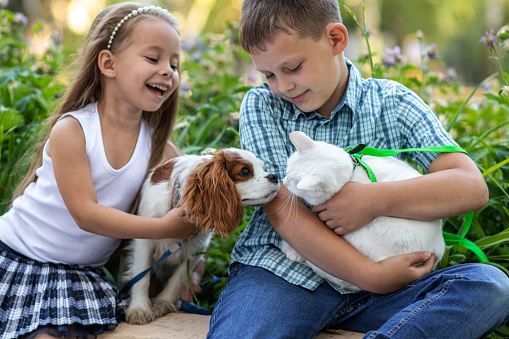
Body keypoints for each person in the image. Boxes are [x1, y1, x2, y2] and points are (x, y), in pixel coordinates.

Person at [207, 1, 509, 338]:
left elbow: (470, 187)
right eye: (269, 74)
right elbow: (279, 206)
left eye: (292, 68)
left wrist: (371, 200)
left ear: (336, 39)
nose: (282, 86)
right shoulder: (263, 104)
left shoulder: (394, 102)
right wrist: (370, 274)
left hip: (387, 293)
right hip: (283, 278)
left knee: (490, 286)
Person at [0, 3, 201, 338]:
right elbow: (87, 214)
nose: (168, 70)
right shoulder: (74, 130)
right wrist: (163, 226)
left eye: (174, 63)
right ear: (109, 64)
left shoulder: (160, 151)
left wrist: (191, 270)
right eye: (153, 59)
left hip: (78, 275)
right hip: (18, 258)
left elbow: (191, 211)